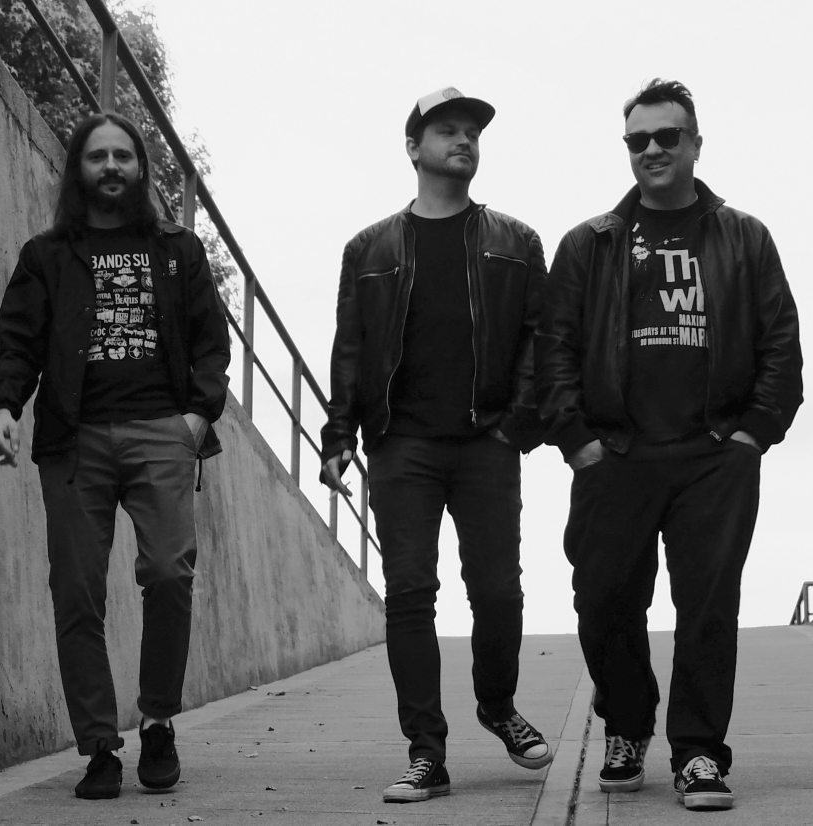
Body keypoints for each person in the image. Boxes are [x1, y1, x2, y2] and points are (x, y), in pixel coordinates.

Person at [537, 78, 803, 812]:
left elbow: (781, 344)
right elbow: (553, 350)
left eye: (667, 136)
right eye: (638, 140)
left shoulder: (744, 237)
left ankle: (698, 753)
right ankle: (626, 725)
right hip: (615, 455)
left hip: (714, 455)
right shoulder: (590, 243)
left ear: (695, 144)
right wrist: (577, 442)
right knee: (602, 600)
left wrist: (751, 436)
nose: (651, 149)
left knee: (708, 608)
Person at [0, 112, 231, 799]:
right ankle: (98, 747)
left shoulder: (178, 251)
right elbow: (19, 343)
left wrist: (194, 417)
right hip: (74, 439)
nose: (113, 166)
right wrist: (3, 408)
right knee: (76, 593)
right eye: (99, 156)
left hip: (161, 432)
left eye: (124, 155)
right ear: (79, 169)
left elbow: (212, 343)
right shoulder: (47, 256)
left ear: (141, 168)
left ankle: (158, 721)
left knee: (170, 574)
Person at [320, 87, 552, 804]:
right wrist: (339, 435)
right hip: (403, 446)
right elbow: (351, 349)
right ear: (413, 148)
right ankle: (426, 751)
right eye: (447, 130)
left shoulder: (516, 242)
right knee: (411, 594)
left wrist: (518, 425)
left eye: (471, 132)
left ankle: (497, 705)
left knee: (498, 590)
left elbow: (540, 343)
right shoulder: (369, 249)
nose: (463, 141)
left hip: (487, 442)